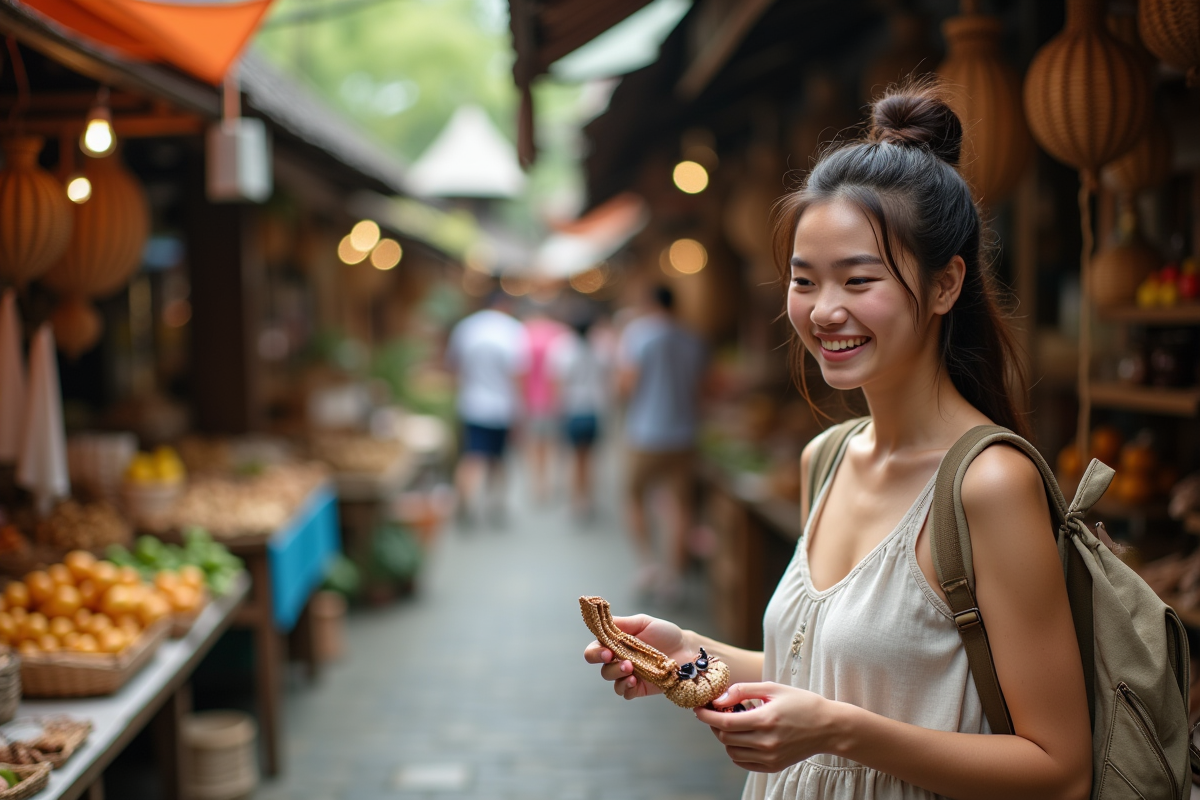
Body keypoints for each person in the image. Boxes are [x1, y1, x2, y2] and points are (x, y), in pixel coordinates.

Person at [585, 84, 1092, 800]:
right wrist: (691, 655)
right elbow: (825, 670)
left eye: (859, 279)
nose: (824, 310)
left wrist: (837, 731)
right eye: (804, 280)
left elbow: (1059, 769)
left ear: (946, 284)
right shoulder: (826, 458)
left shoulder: (989, 484)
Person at [617, 285, 707, 600]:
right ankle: (674, 576)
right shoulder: (691, 338)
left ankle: (648, 565)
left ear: (650, 302)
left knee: (634, 496)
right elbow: (701, 388)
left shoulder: (638, 334)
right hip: (684, 433)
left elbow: (627, 383)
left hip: (645, 432)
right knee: (680, 505)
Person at [445, 291, 528, 526]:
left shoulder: (467, 328)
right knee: (498, 458)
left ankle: (464, 503)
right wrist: (520, 412)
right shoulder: (513, 330)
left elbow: (453, 367)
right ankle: (496, 504)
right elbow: (518, 375)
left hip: (471, 404)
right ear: (506, 305)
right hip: (502, 407)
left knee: (471, 455)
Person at [549, 314, 610, 520]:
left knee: (575, 459)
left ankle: (576, 502)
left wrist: (558, 408)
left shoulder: (564, 349)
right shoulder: (600, 348)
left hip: (573, 408)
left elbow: (558, 382)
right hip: (594, 408)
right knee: (589, 458)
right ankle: (588, 499)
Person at [521, 307, 569, 503]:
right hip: (554, 399)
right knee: (551, 443)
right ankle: (549, 482)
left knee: (535, 444)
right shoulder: (560, 333)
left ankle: (538, 484)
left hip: (532, 400)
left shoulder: (524, 334)